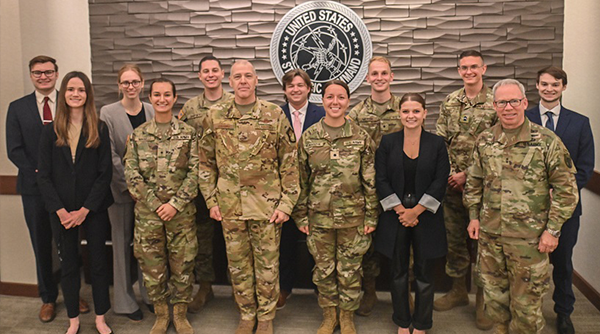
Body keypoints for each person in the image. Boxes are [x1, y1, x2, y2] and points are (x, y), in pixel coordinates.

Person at [464, 79, 579, 334]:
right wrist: (473, 216)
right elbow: (474, 181)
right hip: (491, 238)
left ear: (525, 103)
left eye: (514, 101)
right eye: (502, 102)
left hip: (529, 240)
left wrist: (553, 230)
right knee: (495, 303)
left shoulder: (546, 141)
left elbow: (567, 191)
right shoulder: (484, 140)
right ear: (494, 106)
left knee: (526, 311)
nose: (508, 107)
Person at [197, 60, 299, 334]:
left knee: (267, 266)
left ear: (256, 81)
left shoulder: (274, 114)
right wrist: (211, 201)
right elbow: (205, 162)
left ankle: (265, 317)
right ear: (230, 82)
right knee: (238, 266)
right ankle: (246, 314)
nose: (243, 81)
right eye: (237, 76)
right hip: (230, 207)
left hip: (266, 207)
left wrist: (287, 204)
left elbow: (289, 162)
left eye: (248, 76)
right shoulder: (215, 116)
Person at [6, 55, 89, 323]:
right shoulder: (17, 108)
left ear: (56, 74)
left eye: (48, 72)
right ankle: (48, 298)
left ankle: (73, 293)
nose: (43, 76)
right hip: (33, 189)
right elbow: (14, 150)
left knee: (70, 245)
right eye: (38, 72)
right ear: (31, 75)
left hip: (68, 191)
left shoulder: (69, 105)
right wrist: (41, 174)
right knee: (42, 244)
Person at [293, 80, 377, 334]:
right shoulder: (309, 138)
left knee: (350, 269)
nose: (335, 102)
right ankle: (330, 315)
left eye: (341, 97)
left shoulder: (360, 136)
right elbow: (300, 180)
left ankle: (347, 316)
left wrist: (372, 216)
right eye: (330, 97)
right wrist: (300, 216)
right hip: (319, 218)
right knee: (323, 270)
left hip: (354, 217)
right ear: (322, 100)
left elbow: (370, 180)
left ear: (348, 101)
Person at [37, 71, 114, 334]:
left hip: (92, 209)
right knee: (68, 265)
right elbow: (43, 176)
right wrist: (61, 210)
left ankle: (101, 317)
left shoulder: (99, 128)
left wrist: (84, 210)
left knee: (99, 264)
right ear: (63, 94)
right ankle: (73, 320)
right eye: (70, 89)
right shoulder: (51, 131)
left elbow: (105, 174)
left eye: (81, 89)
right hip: (61, 212)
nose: (75, 94)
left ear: (87, 94)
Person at [124, 78, 199, 334]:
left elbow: (195, 173)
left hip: (181, 215)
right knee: (152, 267)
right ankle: (161, 313)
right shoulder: (138, 134)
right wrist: (157, 204)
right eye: (157, 95)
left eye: (167, 94)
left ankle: (180, 314)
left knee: (183, 265)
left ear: (175, 98)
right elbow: (132, 175)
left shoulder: (188, 134)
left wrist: (175, 204)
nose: (162, 99)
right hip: (148, 216)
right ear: (151, 98)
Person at [526, 66, 594, 334]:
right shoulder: (523, 117)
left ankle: (564, 313)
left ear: (563, 87)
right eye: (544, 84)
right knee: (527, 264)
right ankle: (527, 312)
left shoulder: (579, 122)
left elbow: (586, 168)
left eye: (555, 84)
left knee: (563, 263)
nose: (549, 89)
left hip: (565, 209)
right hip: (527, 209)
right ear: (537, 86)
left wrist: (560, 191)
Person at [375, 93, 449, 334]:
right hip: (395, 217)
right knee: (397, 274)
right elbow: (381, 179)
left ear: (425, 113)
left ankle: (421, 324)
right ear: (399, 114)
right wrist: (400, 210)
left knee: (425, 275)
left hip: (426, 216)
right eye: (406, 111)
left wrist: (416, 210)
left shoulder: (437, 144)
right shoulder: (388, 142)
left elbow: (440, 182)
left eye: (416, 111)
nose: (411, 116)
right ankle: (402, 321)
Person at [434, 50, 496, 330]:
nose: (469, 71)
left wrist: (467, 174)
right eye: (463, 67)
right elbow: (440, 142)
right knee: (454, 241)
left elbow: (497, 147)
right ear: (459, 71)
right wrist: (451, 174)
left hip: (484, 188)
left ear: (483, 69)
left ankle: (483, 299)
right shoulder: (450, 102)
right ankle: (459, 290)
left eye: (474, 67)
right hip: (452, 187)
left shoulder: (497, 103)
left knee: (484, 244)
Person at [347, 56, 403, 316]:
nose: (379, 78)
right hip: (367, 189)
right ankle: (369, 292)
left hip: (400, 189)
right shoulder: (356, 114)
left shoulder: (405, 109)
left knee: (402, 242)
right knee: (367, 244)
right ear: (367, 78)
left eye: (384, 73)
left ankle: (402, 295)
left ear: (391, 77)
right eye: (374, 74)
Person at [178, 55, 233, 313]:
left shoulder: (235, 103)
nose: (210, 75)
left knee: (234, 238)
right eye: (205, 71)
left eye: (215, 70)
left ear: (222, 74)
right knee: (203, 237)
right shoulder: (189, 108)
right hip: (201, 184)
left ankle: (238, 289)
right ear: (199, 76)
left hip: (231, 182)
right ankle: (206, 286)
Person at [99, 64, 154, 321]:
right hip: (120, 192)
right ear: (119, 85)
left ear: (142, 83)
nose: (130, 86)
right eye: (125, 82)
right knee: (121, 246)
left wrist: (148, 189)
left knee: (147, 247)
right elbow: (109, 156)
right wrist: (131, 187)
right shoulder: (108, 113)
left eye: (135, 82)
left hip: (151, 195)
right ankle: (123, 301)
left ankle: (150, 295)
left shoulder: (152, 110)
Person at [278, 68, 325, 309]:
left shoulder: (323, 113)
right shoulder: (275, 115)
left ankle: (321, 290)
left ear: (309, 88)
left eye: (300, 85)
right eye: (290, 86)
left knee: (316, 244)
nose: (295, 89)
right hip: (283, 191)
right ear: (285, 91)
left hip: (316, 190)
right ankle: (284, 288)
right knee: (284, 243)